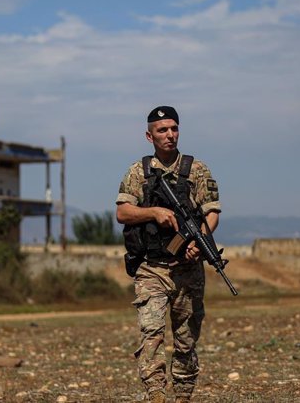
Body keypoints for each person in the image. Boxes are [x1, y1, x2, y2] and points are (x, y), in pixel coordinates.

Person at [116, 106, 221, 403]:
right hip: (152, 268)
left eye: (174, 128)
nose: (170, 135)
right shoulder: (139, 172)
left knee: (186, 341)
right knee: (152, 335)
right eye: (162, 130)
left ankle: (183, 397)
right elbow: (122, 212)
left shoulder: (196, 170)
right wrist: (153, 212)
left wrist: (199, 242)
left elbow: (212, 212)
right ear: (149, 136)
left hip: (187, 269)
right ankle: (156, 396)